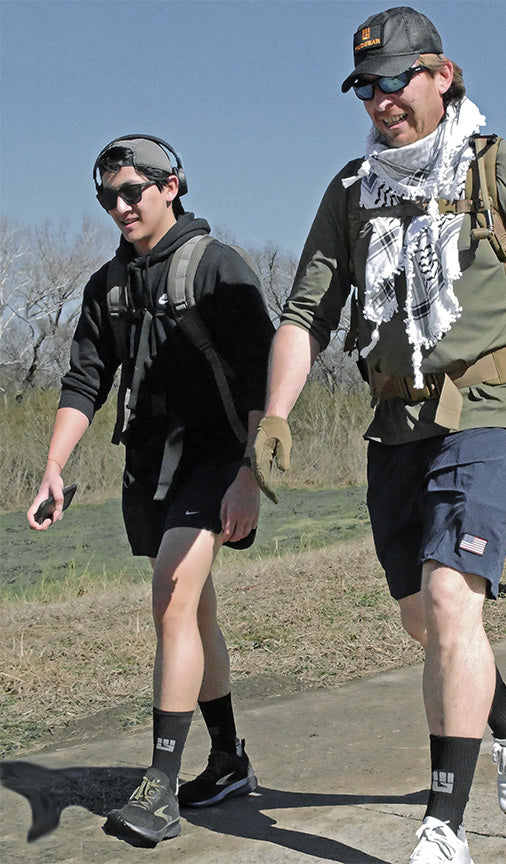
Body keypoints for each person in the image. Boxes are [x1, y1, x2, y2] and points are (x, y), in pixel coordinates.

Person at [253, 8, 506, 862]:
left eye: (396, 79)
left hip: (492, 408)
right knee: (422, 621)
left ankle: (443, 827)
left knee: (448, 597)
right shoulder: (355, 190)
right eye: (366, 86)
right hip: (396, 421)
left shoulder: (504, 169)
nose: (380, 100)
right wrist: (275, 412)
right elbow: (304, 314)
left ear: (443, 73)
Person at [26, 135, 272, 843]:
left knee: (170, 595)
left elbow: (262, 379)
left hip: (217, 456)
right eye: (108, 197)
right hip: (150, 461)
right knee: (192, 613)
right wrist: (53, 465)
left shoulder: (218, 267)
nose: (121, 206)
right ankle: (228, 760)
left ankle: (160, 786)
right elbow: (84, 380)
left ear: (172, 186)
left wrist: (250, 476)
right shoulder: (108, 284)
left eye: (133, 191)